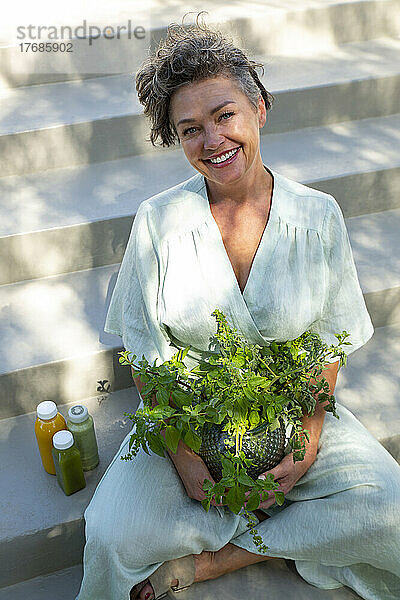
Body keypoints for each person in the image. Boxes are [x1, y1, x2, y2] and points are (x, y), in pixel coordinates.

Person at [76, 17, 400, 600]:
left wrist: (306, 439)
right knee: (109, 533)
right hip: (188, 421)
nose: (212, 140)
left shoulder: (318, 215)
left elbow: (328, 343)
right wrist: (184, 457)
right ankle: (280, 536)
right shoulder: (158, 222)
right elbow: (148, 355)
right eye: (190, 128)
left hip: (291, 411)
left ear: (260, 110)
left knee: (391, 508)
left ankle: (215, 560)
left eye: (224, 115)